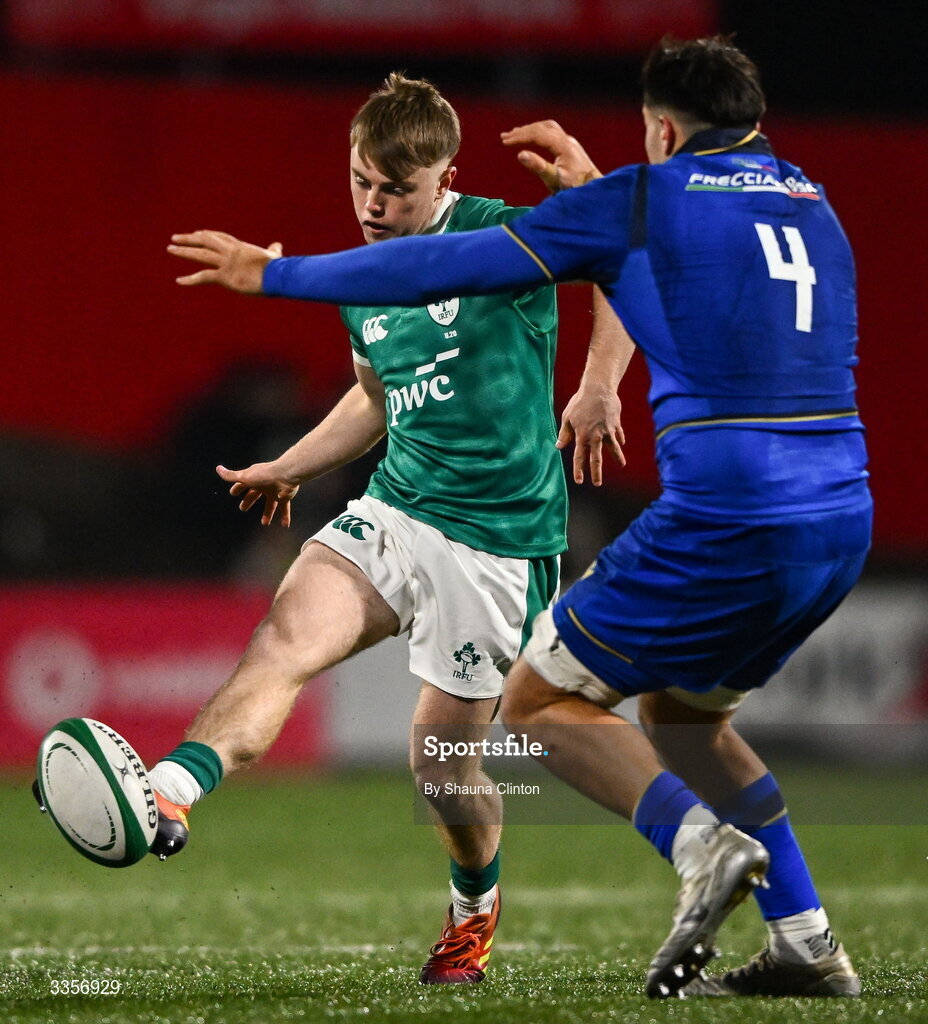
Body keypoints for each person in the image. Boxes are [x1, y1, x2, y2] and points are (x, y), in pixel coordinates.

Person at [168, 38, 872, 1000]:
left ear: (663, 130)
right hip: (839, 509)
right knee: (682, 718)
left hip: (690, 513)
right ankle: (805, 939)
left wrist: (274, 275)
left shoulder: (622, 203)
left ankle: (703, 847)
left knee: (529, 708)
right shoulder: (810, 200)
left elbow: (461, 263)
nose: (372, 203)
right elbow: (666, 262)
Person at [150, 73, 629, 986]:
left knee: (438, 769)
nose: (373, 205)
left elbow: (621, 255)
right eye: (362, 182)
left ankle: (474, 906)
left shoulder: (500, 232)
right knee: (283, 639)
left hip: (498, 539)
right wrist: (292, 464)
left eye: (396, 189)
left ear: (444, 176)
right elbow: (376, 397)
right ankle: (170, 790)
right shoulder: (362, 282)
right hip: (398, 507)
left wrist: (599, 381)